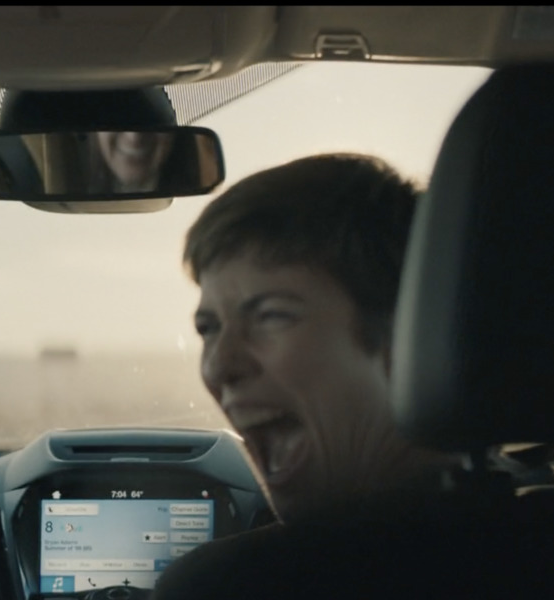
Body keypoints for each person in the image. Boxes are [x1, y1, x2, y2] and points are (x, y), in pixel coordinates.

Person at [152, 154, 480, 599]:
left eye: (271, 316)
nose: (219, 367)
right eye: (208, 328)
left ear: (404, 341)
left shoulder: (234, 585)